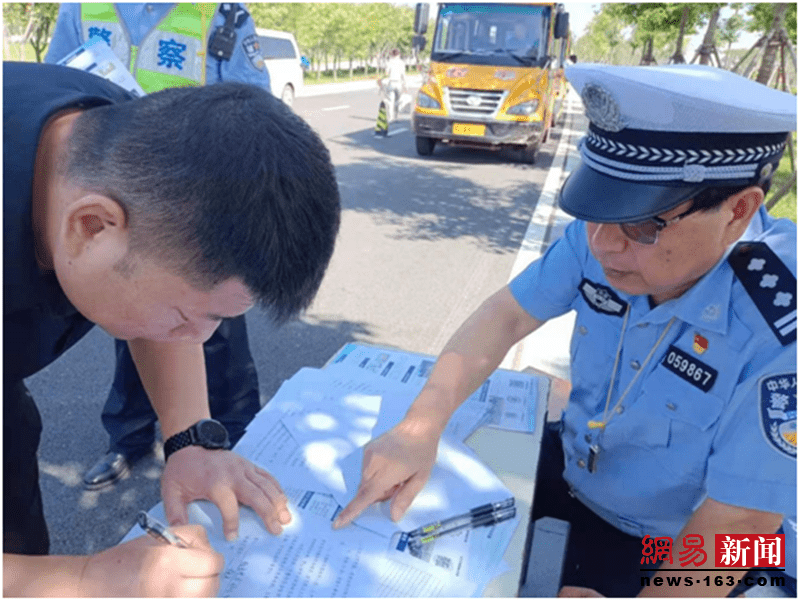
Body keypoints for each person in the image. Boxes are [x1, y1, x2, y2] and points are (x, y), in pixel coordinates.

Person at [332, 63, 796, 597]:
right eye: (595, 210)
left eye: (641, 224)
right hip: (580, 472)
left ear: (738, 211)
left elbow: (743, 523)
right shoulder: (608, 234)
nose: (600, 244)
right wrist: (418, 428)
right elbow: (506, 315)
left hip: (677, 546)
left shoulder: (783, 324)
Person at [3, 61, 340, 595]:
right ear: (91, 226)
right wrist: (89, 577)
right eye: (184, 316)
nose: (200, 340)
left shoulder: (122, 142)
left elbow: (162, 276)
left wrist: (191, 439)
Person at [44, 2, 273, 491]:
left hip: (197, 208)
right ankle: (126, 439)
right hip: (112, 202)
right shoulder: (81, 8)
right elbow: (54, 85)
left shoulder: (220, 13)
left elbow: (253, 113)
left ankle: (234, 438)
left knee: (215, 326)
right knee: (132, 323)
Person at [384, 48, 406, 122]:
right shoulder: (401, 62)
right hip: (399, 83)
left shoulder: (389, 62)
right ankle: (396, 117)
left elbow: (386, 73)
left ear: (392, 54)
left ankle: (391, 118)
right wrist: (405, 84)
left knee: (390, 101)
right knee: (397, 101)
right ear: (398, 54)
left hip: (391, 82)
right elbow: (403, 74)